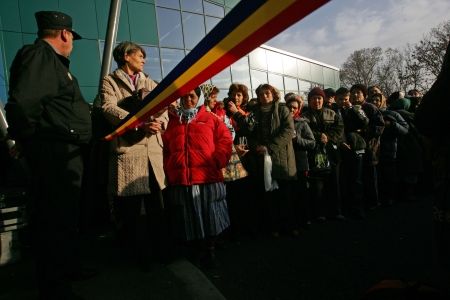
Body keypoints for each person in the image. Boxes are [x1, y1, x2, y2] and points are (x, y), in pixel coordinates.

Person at [5, 11, 92, 299]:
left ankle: (67, 269)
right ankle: (55, 287)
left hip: (62, 150)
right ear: (65, 34)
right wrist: (28, 143)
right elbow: (23, 105)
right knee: (53, 220)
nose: (72, 44)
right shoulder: (40, 56)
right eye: (72, 38)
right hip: (53, 151)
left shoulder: (50, 61)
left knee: (65, 217)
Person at [97, 41, 167, 268]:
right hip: (129, 151)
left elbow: (164, 107)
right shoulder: (110, 81)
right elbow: (108, 108)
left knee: (157, 206)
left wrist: (159, 123)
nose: (144, 60)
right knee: (132, 211)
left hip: (153, 153)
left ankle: (160, 252)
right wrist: (138, 124)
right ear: (126, 56)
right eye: (140, 56)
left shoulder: (150, 81)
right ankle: (138, 256)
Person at [162, 87, 232, 266]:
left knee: (210, 215)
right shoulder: (172, 121)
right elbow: (166, 148)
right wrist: (169, 167)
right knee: (188, 217)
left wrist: (218, 160)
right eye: (184, 96)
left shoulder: (210, 119)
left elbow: (225, 140)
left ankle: (210, 249)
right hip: (182, 178)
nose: (188, 99)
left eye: (192, 96)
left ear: (199, 98)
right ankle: (195, 249)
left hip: (207, 176)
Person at [228, 84, 297, 237]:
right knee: (269, 195)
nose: (264, 96)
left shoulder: (283, 109)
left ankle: (289, 226)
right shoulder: (255, 113)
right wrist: (257, 146)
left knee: (284, 194)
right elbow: (249, 131)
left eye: (267, 93)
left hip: (282, 158)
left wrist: (269, 147)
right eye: (261, 94)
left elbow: (288, 131)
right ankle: (273, 227)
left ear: (273, 94)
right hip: (263, 159)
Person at [302, 87, 344, 222]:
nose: (317, 101)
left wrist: (329, 137)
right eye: (314, 98)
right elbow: (303, 131)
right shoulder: (304, 116)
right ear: (309, 100)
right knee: (317, 186)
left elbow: (340, 129)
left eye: (319, 98)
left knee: (334, 184)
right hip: (313, 154)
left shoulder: (332, 113)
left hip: (332, 154)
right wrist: (319, 136)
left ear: (323, 99)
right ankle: (319, 213)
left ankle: (336, 211)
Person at [285, 93, 316, 229]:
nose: (292, 110)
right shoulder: (281, 122)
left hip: (300, 163)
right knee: (288, 195)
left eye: (295, 108)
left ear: (299, 109)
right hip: (285, 163)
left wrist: (297, 139)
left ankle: (304, 220)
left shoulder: (302, 123)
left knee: (301, 194)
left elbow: (312, 143)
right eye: (289, 107)